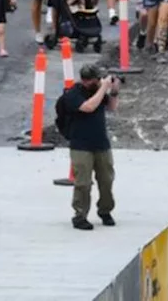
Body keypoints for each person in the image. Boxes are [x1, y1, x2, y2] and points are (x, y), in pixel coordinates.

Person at [58, 64, 120, 230]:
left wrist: (113, 91)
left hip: (101, 144)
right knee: (83, 183)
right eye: (97, 79)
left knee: (107, 180)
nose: (100, 82)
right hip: (81, 145)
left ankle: (105, 210)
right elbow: (88, 107)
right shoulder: (73, 94)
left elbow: (112, 107)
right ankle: (80, 215)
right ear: (88, 80)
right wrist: (104, 88)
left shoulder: (98, 92)